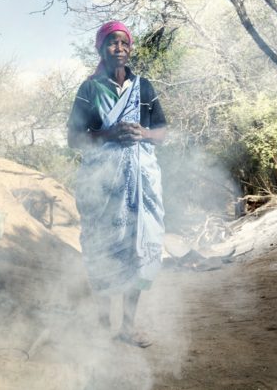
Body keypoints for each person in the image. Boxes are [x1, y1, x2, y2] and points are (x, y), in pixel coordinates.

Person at [67, 21, 167, 348]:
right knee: (103, 252)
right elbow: (74, 140)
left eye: (124, 42)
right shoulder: (90, 89)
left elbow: (162, 133)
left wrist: (144, 134)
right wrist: (109, 134)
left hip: (140, 184)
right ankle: (100, 328)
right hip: (103, 186)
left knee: (137, 251)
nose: (119, 48)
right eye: (112, 43)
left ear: (131, 48)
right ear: (101, 49)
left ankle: (127, 326)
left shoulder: (144, 87)